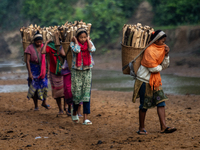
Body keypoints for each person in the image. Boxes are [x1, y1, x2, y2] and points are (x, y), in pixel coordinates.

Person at [132, 30, 177, 134]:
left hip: (155, 81)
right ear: (156, 40)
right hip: (144, 81)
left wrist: (166, 55)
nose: (164, 43)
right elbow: (153, 68)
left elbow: (165, 65)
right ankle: (141, 128)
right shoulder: (149, 50)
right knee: (144, 105)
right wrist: (160, 67)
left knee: (161, 102)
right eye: (162, 41)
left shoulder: (161, 50)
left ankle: (164, 127)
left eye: (165, 41)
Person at [70, 28, 96, 125]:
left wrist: (88, 40)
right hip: (76, 71)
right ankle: (74, 112)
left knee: (86, 94)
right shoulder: (73, 44)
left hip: (87, 70)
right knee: (77, 94)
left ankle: (85, 118)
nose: (83, 39)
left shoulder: (89, 42)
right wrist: (75, 41)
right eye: (81, 37)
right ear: (77, 37)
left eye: (85, 37)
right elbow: (77, 50)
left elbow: (92, 49)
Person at [25, 31, 50, 110]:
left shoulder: (44, 46)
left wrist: (48, 70)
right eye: (37, 42)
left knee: (45, 86)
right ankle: (36, 105)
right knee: (34, 87)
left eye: (40, 42)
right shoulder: (29, 48)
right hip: (33, 69)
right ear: (34, 41)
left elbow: (48, 59)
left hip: (43, 70)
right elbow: (27, 61)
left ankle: (44, 102)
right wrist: (30, 73)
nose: (39, 43)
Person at [41, 40, 68, 114]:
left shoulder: (64, 45)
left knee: (65, 90)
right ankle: (60, 109)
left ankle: (66, 106)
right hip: (53, 71)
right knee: (57, 91)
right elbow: (43, 52)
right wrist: (46, 43)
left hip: (63, 71)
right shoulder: (50, 46)